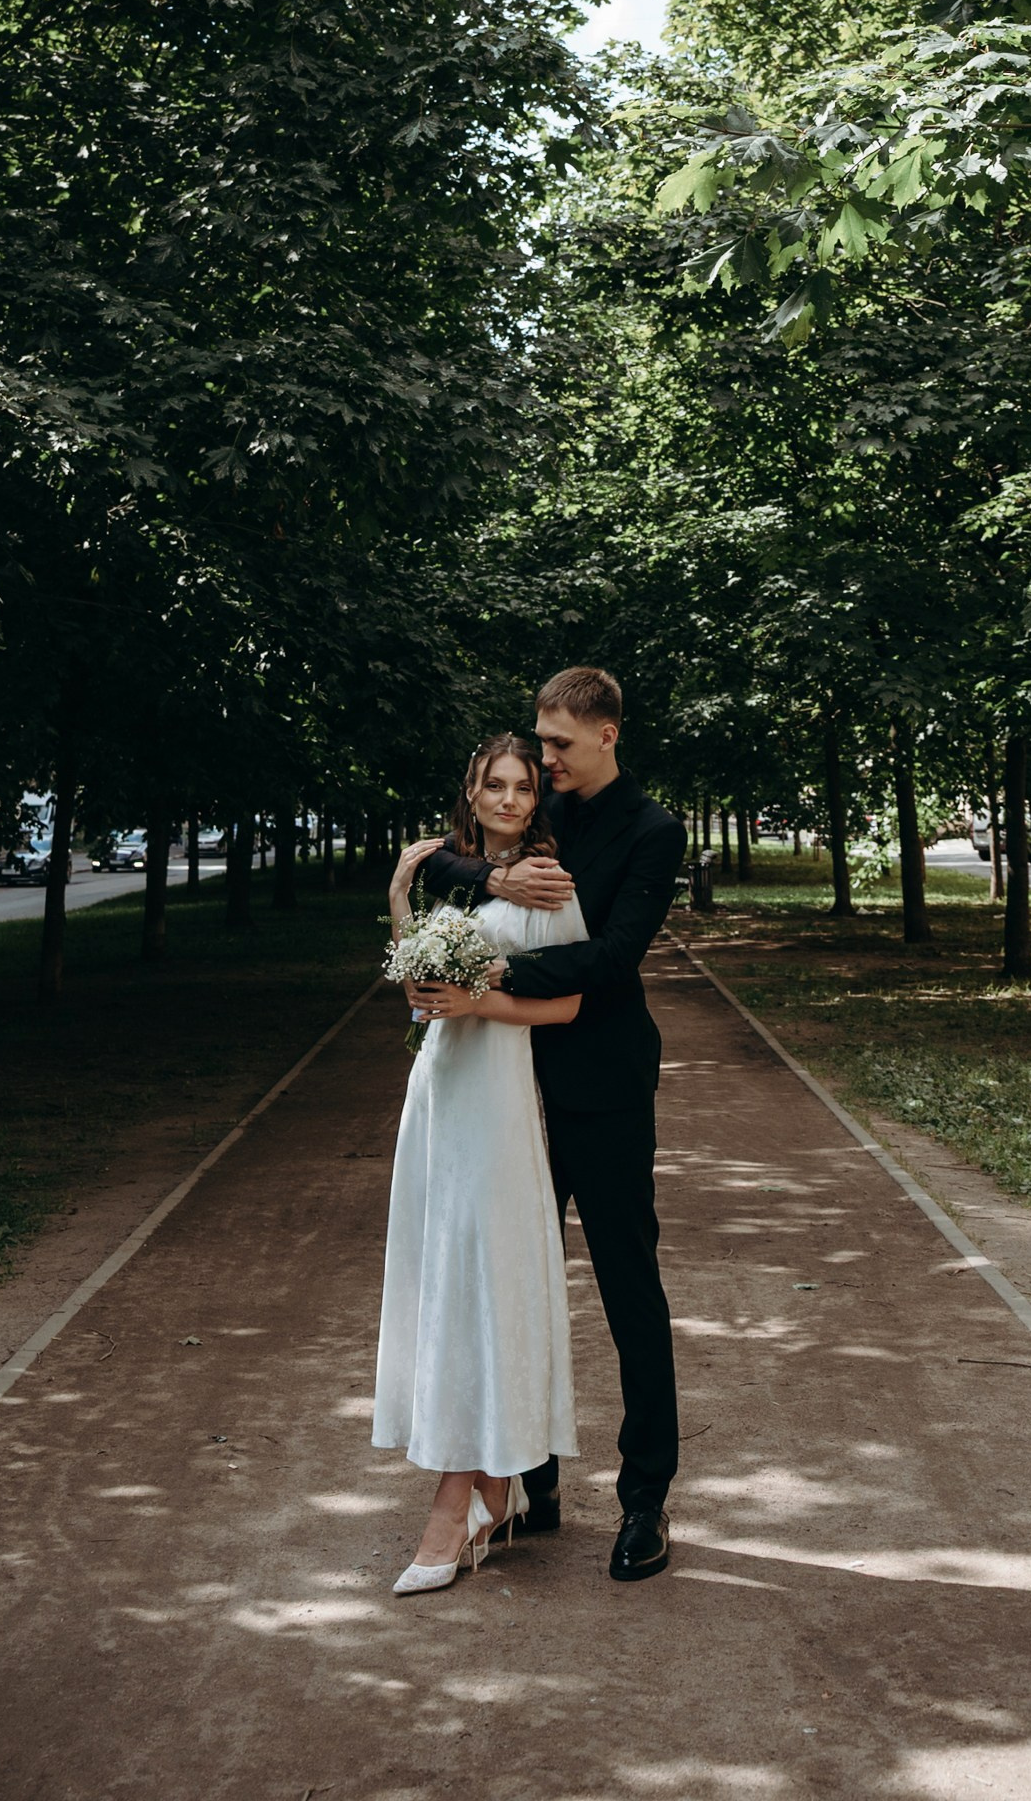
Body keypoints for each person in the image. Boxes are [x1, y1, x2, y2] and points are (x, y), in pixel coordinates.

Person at [408, 663, 686, 1583]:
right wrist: (488, 874)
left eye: (559, 745)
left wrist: (482, 985)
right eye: (538, 742)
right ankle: (532, 1480)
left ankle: (645, 1497)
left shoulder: (653, 830)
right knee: (512, 1278)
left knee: (625, 1288)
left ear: (608, 734)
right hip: (508, 1093)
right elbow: (444, 856)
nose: (543, 759)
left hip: (599, 1083)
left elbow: (608, 962)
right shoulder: (546, 807)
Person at [372, 736, 588, 1596]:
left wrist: (479, 1002)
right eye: (493, 785)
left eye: (522, 786)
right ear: (470, 789)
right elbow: (415, 986)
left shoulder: (545, 882)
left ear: (537, 799)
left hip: (496, 1100)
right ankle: (492, 1493)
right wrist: (398, 892)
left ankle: (457, 1501)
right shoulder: (448, 870)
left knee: (481, 1282)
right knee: (442, 1282)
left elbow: (569, 1001)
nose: (507, 798)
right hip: (436, 1095)